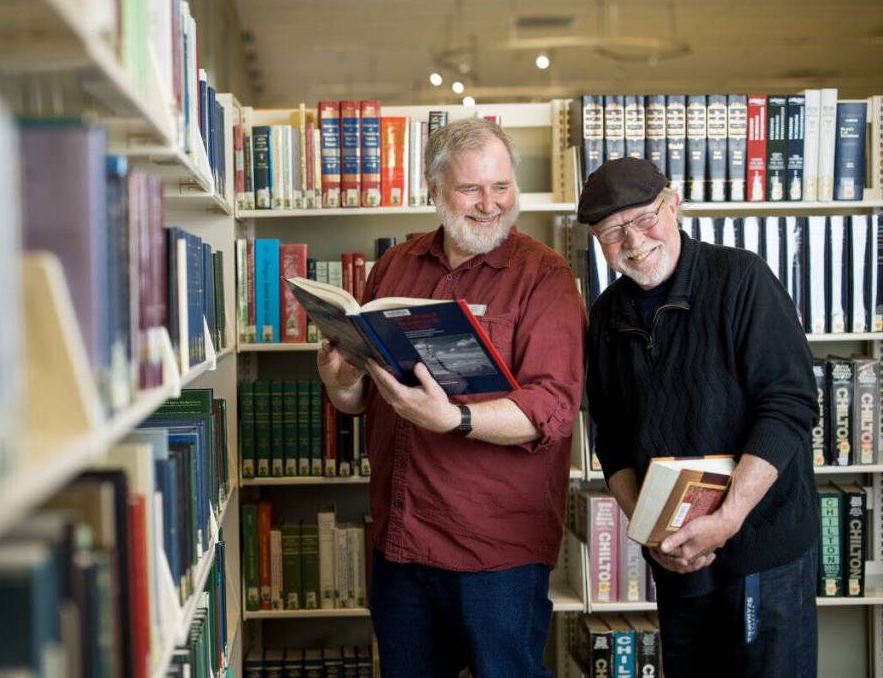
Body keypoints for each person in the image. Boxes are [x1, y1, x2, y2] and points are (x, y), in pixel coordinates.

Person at [316, 117, 586, 677]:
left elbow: (553, 409)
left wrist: (454, 419)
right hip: (400, 541)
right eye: (470, 189)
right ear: (434, 190)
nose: (490, 204)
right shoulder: (395, 265)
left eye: (501, 186)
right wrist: (340, 381)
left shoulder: (546, 276)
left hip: (497, 553)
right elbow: (363, 402)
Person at [580, 157, 820, 677]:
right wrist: (650, 534)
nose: (633, 242)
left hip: (764, 548)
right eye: (612, 233)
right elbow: (612, 439)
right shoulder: (605, 316)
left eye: (644, 219)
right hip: (679, 557)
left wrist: (729, 518)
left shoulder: (741, 277)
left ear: (674, 205)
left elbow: (790, 404)